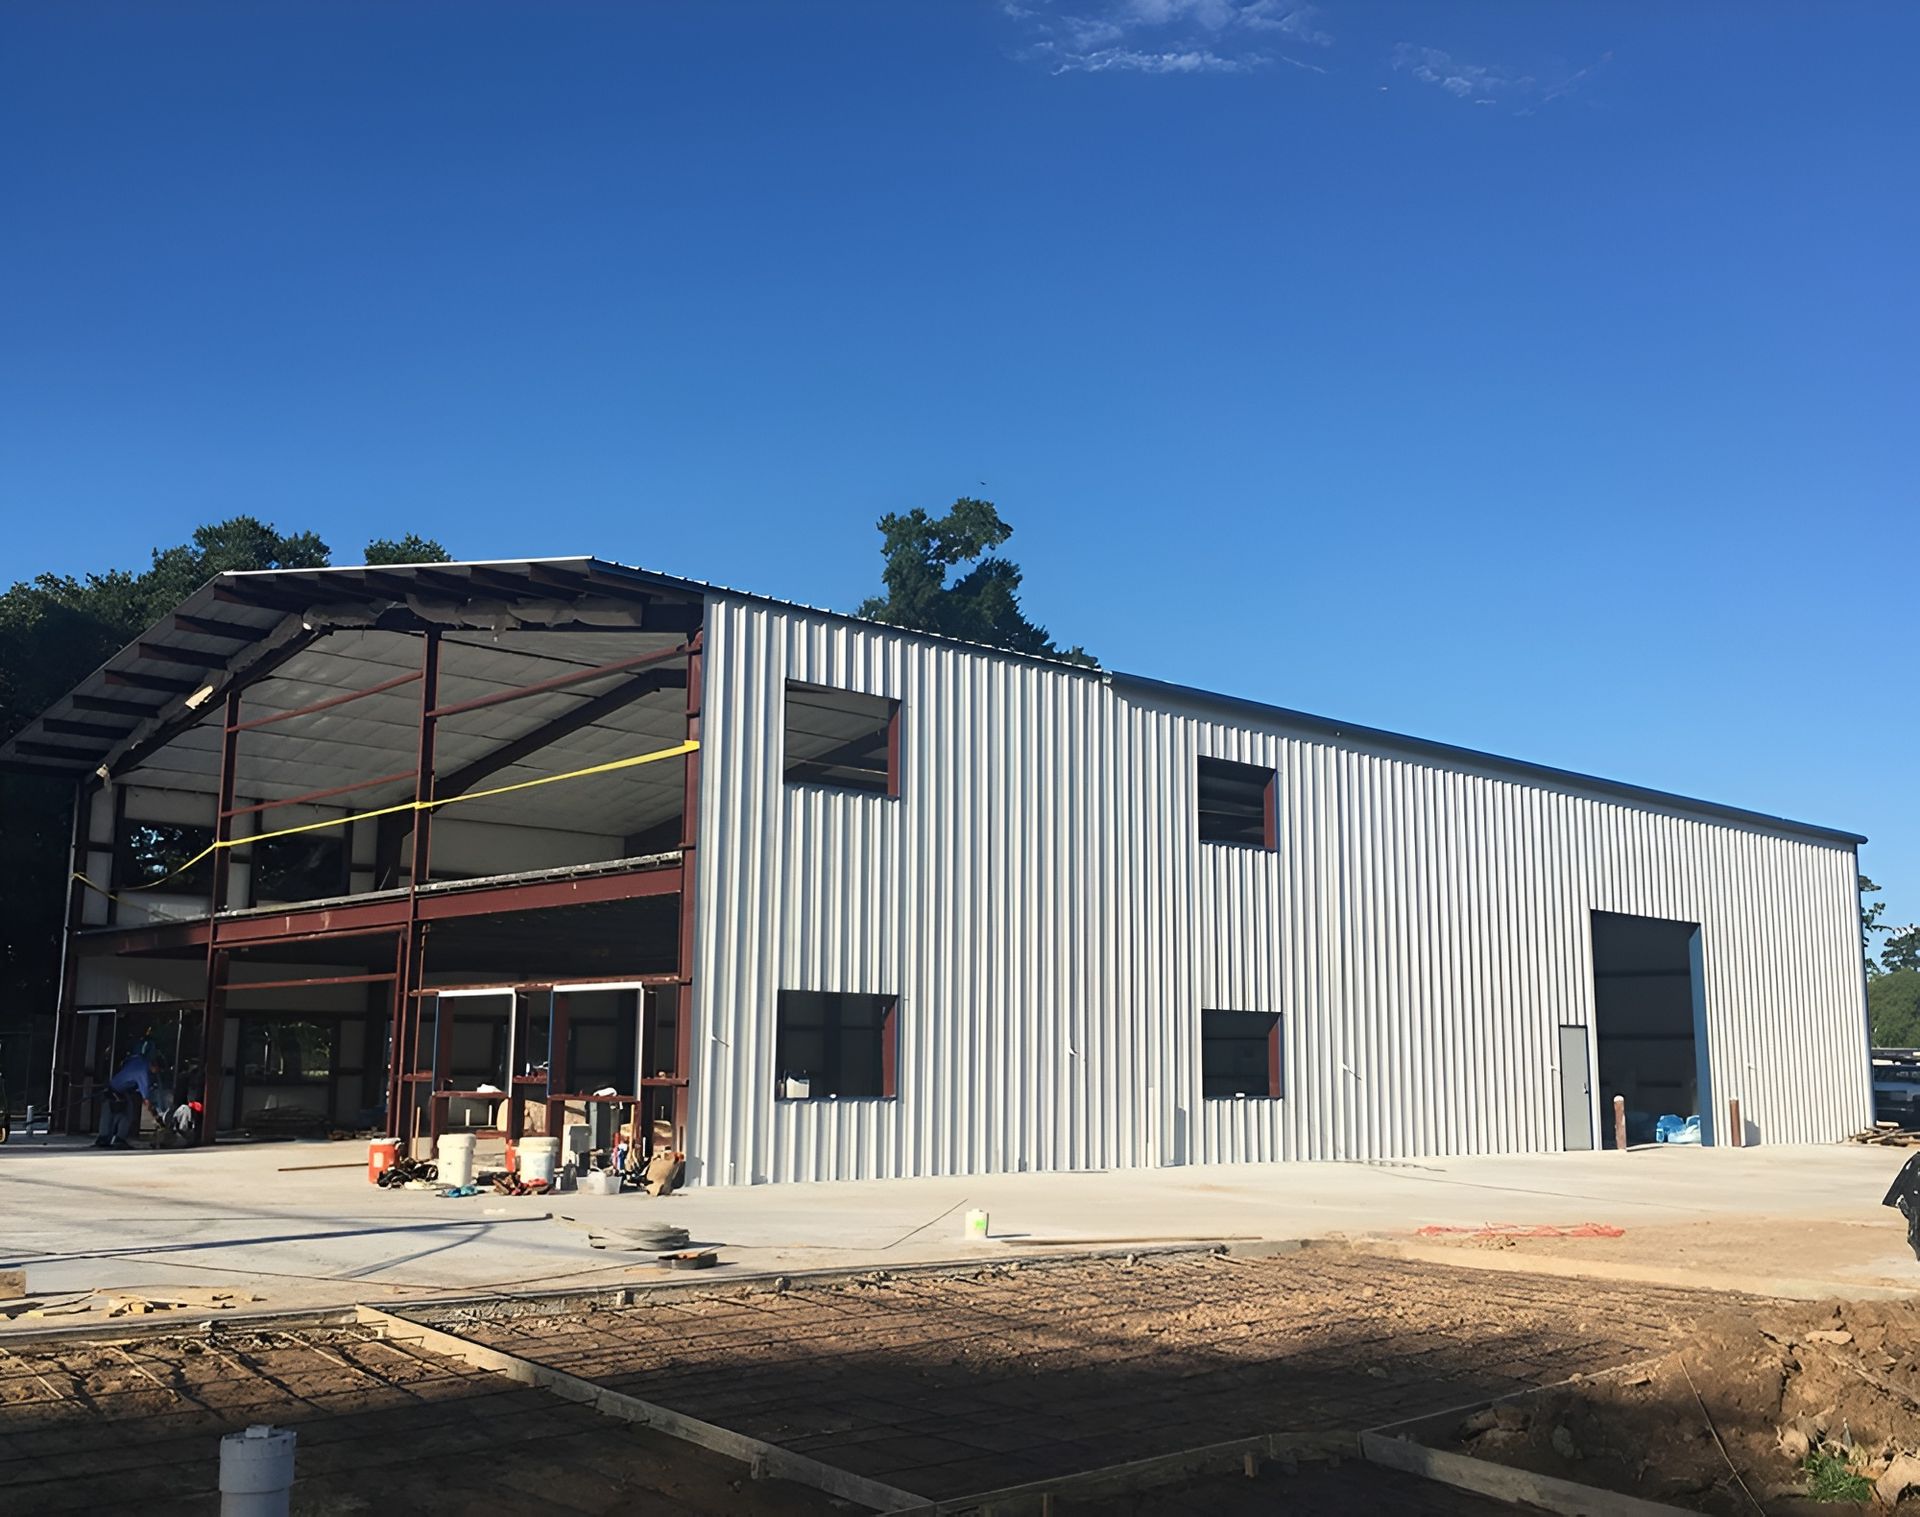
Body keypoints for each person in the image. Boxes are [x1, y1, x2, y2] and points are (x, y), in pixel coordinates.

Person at [95, 1046, 165, 1149]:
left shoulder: (140, 1061)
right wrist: (156, 1117)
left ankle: (105, 1137)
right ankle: (117, 1139)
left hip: (114, 1086)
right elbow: (146, 1100)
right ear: (154, 1067)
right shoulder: (144, 1074)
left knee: (112, 1113)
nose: (157, 1073)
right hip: (118, 1090)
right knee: (126, 1114)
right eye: (158, 1070)